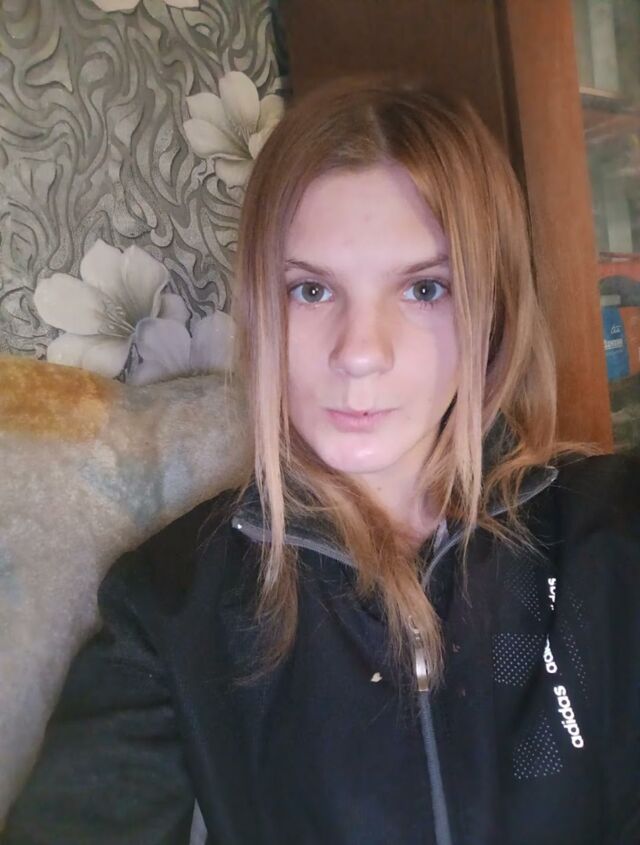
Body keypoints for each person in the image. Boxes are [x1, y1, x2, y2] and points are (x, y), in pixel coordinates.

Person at [2, 73, 639, 845]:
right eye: (310, 291)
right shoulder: (171, 604)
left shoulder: (611, 532)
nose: (360, 352)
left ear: (493, 309)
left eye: (425, 288)